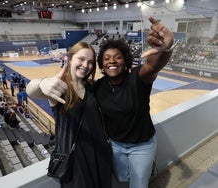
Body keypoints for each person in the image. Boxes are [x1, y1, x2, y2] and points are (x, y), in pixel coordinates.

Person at [27, 17, 174, 188]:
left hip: (121, 148)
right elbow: (32, 90)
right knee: (120, 178)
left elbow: (152, 66)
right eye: (106, 58)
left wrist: (167, 49)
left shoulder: (124, 80)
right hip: (95, 150)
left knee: (136, 184)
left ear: (125, 60)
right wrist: (41, 83)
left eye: (117, 57)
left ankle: (145, 167)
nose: (112, 61)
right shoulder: (76, 87)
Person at [26, 41, 112, 188]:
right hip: (75, 158)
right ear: (70, 58)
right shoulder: (59, 88)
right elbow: (31, 90)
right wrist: (41, 83)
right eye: (81, 59)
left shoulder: (92, 87)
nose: (86, 65)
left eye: (90, 62)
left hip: (99, 152)